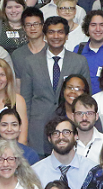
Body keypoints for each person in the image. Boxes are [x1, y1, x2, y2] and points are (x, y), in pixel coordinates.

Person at [16, 16, 90, 154]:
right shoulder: (30, 62)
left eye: (60, 32)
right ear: (45, 36)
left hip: (70, 130)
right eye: (51, 32)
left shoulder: (79, 62)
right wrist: (24, 134)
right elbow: (25, 101)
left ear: (67, 36)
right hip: (38, 130)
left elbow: (85, 99)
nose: (56, 36)